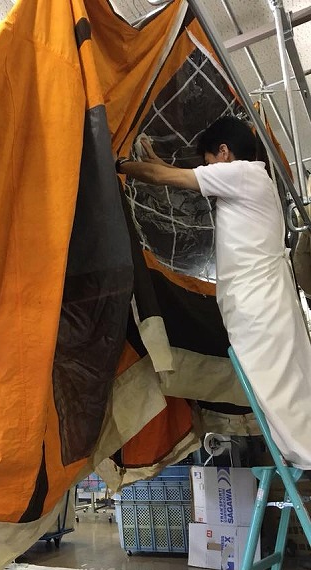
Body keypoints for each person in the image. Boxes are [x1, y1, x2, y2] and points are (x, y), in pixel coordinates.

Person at [116, 116, 311, 468]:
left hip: (260, 304)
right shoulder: (249, 179)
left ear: (224, 151)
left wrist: (117, 164)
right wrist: (153, 161)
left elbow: (164, 178)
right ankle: (301, 450)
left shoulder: (243, 174)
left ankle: (305, 453)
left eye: (208, 163)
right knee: (282, 380)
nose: (207, 171)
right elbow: (176, 176)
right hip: (259, 301)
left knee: (277, 383)